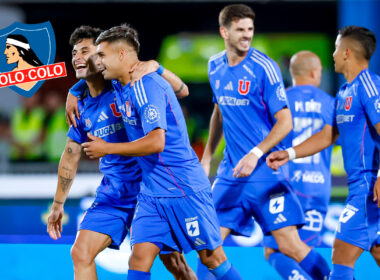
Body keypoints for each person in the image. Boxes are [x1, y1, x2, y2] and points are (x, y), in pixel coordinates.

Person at [82, 23, 242, 280]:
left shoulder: (146, 85)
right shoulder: (122, 84)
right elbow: (183, 90)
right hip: (152, 193)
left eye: (102, 55)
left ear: (122, 54)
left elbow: (157, 142)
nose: (98, 61)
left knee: (212, 258)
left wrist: (107, 148)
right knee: (139, 259)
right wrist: (72, 94)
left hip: (184, 187)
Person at [47, 25, 196, 280]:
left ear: (104, 55)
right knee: (80, 253)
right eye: (74, 52)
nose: (76, 57)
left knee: (175, 265)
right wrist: (58, 204)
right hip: (114, 193)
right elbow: (70, 154)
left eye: (86, 50)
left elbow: (182, 90)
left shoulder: (126, 84)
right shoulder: (80, 105)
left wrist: (155, 66)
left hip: (149, 189)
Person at [199, 4, 330, 280]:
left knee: (290, 246)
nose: (247, 35)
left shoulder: (265, 68)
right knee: (209, 248)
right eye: (240, 30)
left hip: (264, 174)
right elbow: (219, 112)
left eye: (250, 29)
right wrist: (208, 155)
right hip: (230, 175)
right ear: (224, 32)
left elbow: (286, 122)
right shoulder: (214, 66)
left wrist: (255, 153)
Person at [267, 26, 380, 280]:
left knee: (341, 252)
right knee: (375, 250)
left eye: (337, 47)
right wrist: (291, 153)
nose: (333, 54)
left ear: (347, 52)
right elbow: (328, 135)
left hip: (369, 187)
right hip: (360, 188)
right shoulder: (343, 93)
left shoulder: (370, 86)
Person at [263, 51, 335, 279]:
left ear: (292, 73)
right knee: (304, 250)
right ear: (316, 72)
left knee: (274, 250)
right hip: (317, 188)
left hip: (285, 187)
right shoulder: (330, 104)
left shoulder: (278, 102)